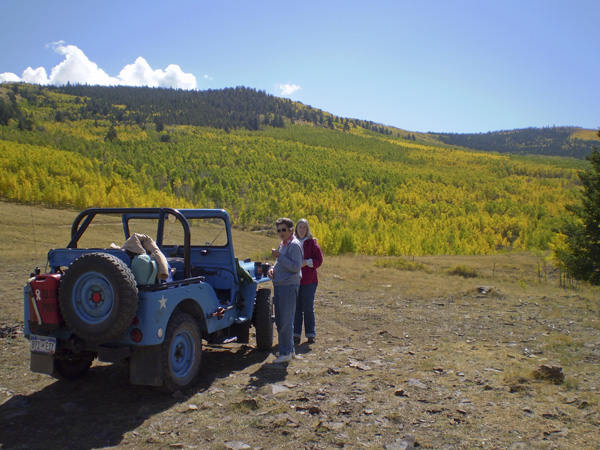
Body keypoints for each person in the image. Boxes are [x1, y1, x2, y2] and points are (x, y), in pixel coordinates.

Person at [267, 218, 303, 363]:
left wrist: (279, 257)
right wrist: (271, 268)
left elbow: (296, 267)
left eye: (283, 229)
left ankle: (285, 352)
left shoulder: (294, 245)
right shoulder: (282, 245)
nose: (281, 232)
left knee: (285, 321)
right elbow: (278, 263)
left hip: (288, 286)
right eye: (279, 230)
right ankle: (289, 350)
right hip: (280, 285)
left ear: (291, 230)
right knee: (281, 319)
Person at [293, 219, 323, 345]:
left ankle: (311, 334)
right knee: (296, 309)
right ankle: (296, 334)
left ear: (307, 229)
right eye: (300, 226)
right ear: (296, 228)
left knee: (308, 308)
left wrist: (307, 262)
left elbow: (319, 260)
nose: (302, 229)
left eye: (304, 227)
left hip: (309, 281)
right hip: (295, 280)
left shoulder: (312, 243)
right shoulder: (292, 242)